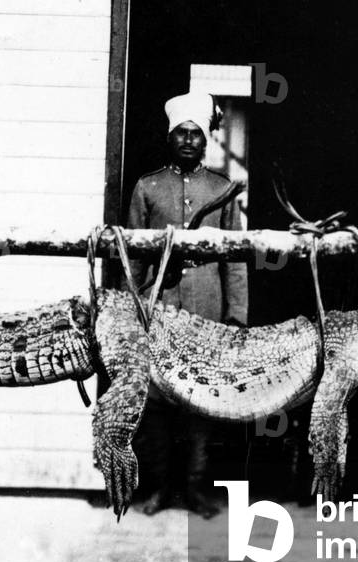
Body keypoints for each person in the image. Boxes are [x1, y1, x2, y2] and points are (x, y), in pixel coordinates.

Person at [125, 92, 248, 517]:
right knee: (156, 398)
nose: (189, 140)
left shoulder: (222, 189)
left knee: (201, 399)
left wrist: (235, 316)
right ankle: (160, 488)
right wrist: (132, 309)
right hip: (159, 304)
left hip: (206, 307)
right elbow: (133, 257)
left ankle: (195, 489)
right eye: (182, 133)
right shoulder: (148, 187)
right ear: (170, 137)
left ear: (206, 139)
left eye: (197, 134)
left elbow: (235, 259)